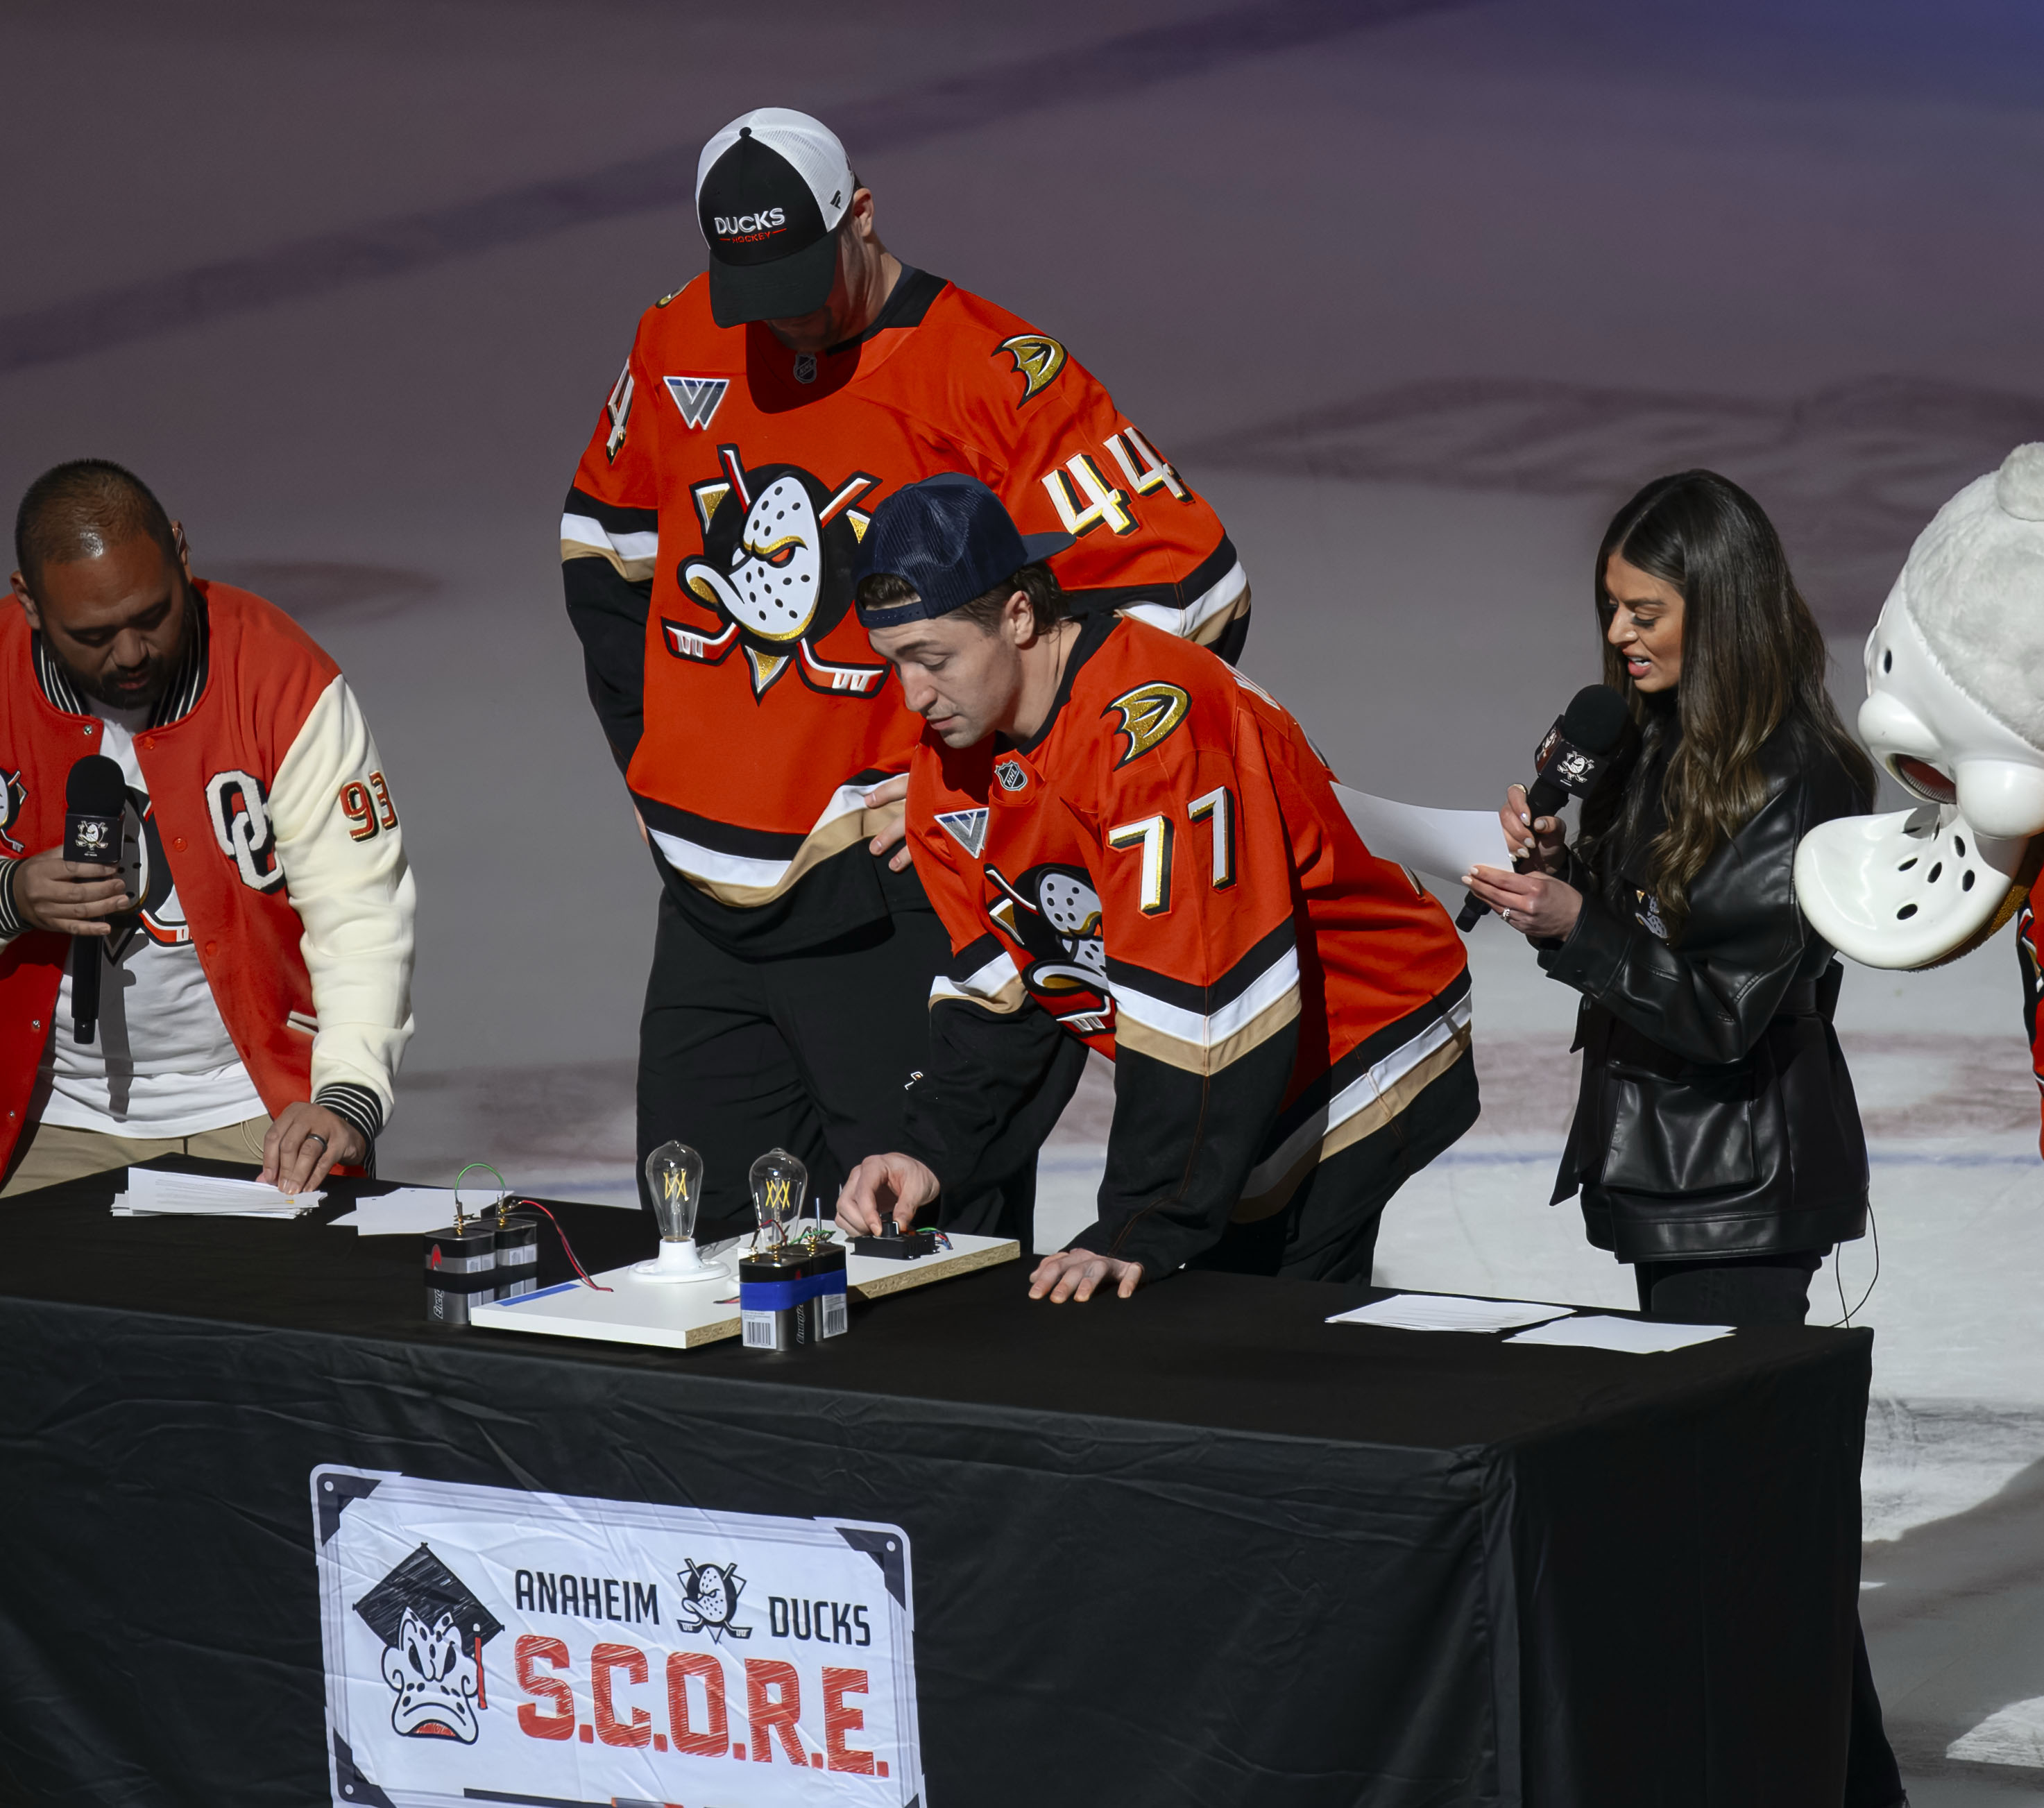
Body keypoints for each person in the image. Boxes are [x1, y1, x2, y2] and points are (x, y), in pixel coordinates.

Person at [562, 106, 1251, 1235]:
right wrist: (653, 758)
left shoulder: (989, 371)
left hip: (906, 911)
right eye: (749, 282)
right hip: (706, 915)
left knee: (929, 1287)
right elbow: (606, 551)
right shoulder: (679, 334)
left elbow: (1190, 590)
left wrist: (1003, 773)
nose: (775, 312)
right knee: (698, 1272)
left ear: (862, 217)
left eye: (797, 273)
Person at [1462, 469, 1902, 1805]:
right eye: (1611, 611)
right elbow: (1652, 945)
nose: (1622, 638)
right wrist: (1565, 875)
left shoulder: (1806, 776)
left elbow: (1720, 1012)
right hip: (1672, 1175)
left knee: (1759, 1534)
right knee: (1748, 1529)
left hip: (1745, 1194)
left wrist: (1577, 928)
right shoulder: (1648, 743)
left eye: (1647, 610)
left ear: (1720, 603)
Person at [831, 475, 1475, 1299]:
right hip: (1237, 1059)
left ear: (1020, 616)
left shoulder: (1154, 731)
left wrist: (1143, 1221)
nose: (912, 696)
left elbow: (1206, 988)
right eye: (894, 664)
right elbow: (1005, 1000)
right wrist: (929, 1151)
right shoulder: (947, 770)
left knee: (1259, 1344)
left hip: (1358, 1034)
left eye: (933, 659)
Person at [0, 460, 416, 1200]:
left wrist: (346, 1095)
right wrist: (4, 892)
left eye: (153, 616)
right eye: (93, 633)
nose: (130, 653)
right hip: (52, 1121)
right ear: (28, 602)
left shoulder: (281, 677)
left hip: (265, 1115)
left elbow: (361, 910)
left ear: (182, 554)